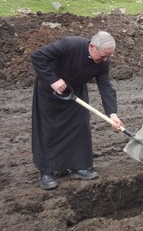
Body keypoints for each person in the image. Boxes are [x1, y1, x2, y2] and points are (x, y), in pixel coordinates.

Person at [31, 31, 124, 190]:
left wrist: (112, 114)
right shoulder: (69, 44)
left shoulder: (103, 62)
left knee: (80, 125)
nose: (105, 60)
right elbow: (37, 56)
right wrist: (53, 80)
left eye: (108, 57)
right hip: (50, 90)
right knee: (49, 129)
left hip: (75, 92)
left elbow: (105, 86)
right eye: (102, 56)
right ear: (92, 47)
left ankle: (78, 167)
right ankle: (47, 172)